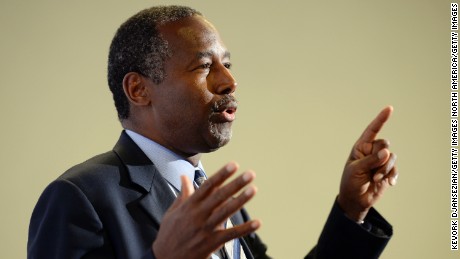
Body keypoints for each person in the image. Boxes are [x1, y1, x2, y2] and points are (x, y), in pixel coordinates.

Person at [27, 5, 398, 259]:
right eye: (205, 66)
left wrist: (352, 210)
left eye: (229, 64)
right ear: (139, 90)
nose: (230, 81)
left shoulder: (215, 199)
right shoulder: (78, 198)